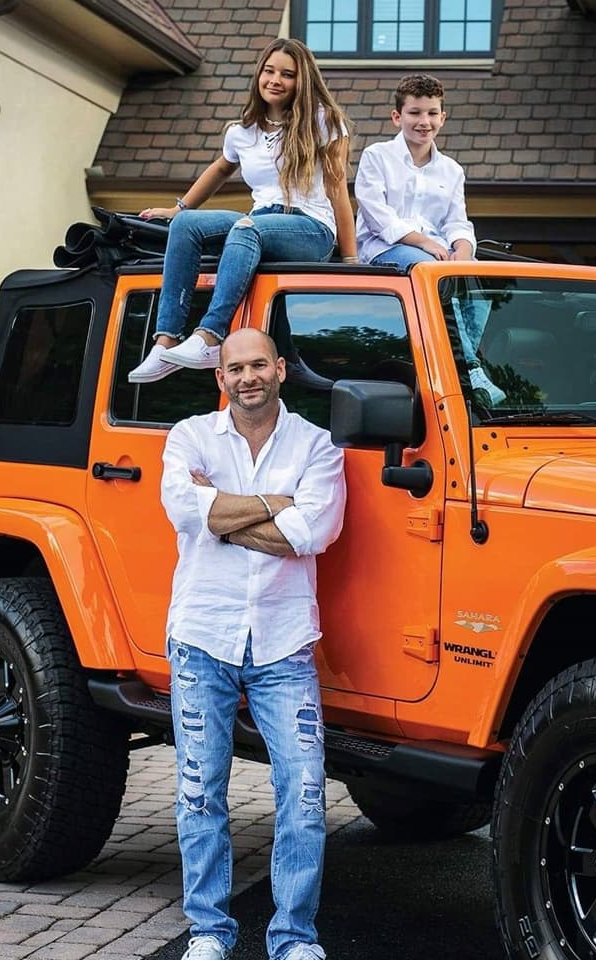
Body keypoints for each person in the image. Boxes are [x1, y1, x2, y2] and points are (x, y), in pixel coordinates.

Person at [160, 327, 347, 960]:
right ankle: (209, 931)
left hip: (284, 643)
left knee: (304, 791)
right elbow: (188, 514)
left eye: (259, 365)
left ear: (281, 370)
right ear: (221, 378)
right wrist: (274, 506)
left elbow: (314, 529)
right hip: (201, 636)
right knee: (199, 789)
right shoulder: (188, 436)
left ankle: (294, 937)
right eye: (235, 368)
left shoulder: (317, 445)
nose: (248, 378)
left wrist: (224, 515)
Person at [130, 39, 356, 384]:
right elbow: (220, 168)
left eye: (287, 74)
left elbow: (338, 187)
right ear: (258, 75)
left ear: (303, 80)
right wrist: (179, 209)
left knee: (246, 228)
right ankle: (166, 341)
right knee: (188, 226)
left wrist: (350, 260)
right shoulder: (242, 131)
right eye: (269, 71)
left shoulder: (323, 122)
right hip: (260, 220)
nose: (275, 80)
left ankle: (210, 337)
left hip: (310, 228)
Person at [354, 74, 505, 405]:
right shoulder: (376, 157)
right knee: (431, 272)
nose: (424, 122)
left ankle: (459, 360)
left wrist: (463, 251)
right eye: (415, 113)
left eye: (432, 113)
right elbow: (379, 217)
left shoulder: (452, 171)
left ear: (443, 117)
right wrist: (425, 244)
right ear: (398, 116)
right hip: (387, 249)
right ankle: (472, 369)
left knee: (480, 276)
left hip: (438, 253)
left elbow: (457, 221)